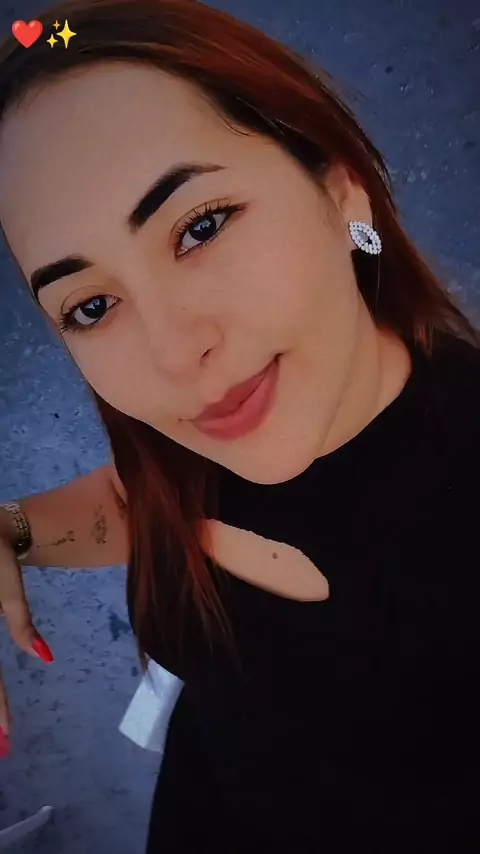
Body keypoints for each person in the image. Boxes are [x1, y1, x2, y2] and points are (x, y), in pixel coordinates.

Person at [0, 0, 478, 850]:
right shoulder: (208, 430)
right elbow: (146, 505)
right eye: (92, 306)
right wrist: (13, 532)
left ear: (341, 191)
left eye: (201, 227)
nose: (173, 354)